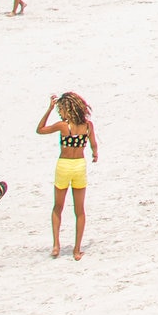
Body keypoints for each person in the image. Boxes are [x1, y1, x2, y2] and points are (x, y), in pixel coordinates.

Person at [37, 92, 99, 260]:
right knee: (79, 211)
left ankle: (56, 245)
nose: (59, 113)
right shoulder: (88, 126)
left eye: (60, 110)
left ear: (68, 110)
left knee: (58, 207)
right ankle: (77, 250)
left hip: (64, 165)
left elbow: (40, 129)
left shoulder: (64, 126)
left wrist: (48, 109)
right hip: (79, 166)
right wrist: (94, 154)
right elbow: (93, 144)